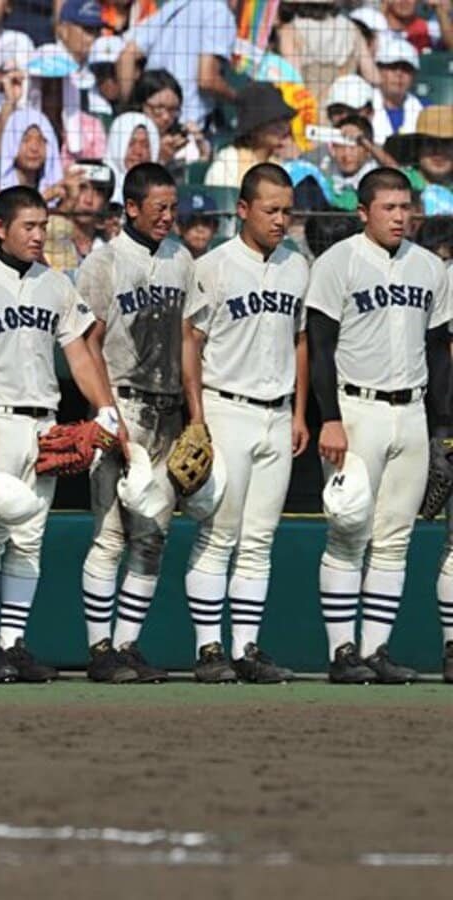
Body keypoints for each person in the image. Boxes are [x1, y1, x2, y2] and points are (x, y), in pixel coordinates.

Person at [0, 185, 117, 684]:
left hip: (43, 424)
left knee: (29, 539)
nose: (37, 236)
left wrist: (106, 410)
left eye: (42, 227)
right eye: (27, 227)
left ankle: (14, 643)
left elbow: (78, 354)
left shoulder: (56, 285)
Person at [306, 167, 452, 684]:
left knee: (395, 538)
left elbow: (438, 352)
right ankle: (341, 651)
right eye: (388, 207)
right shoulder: (336, 262)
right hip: (356, 409)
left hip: (411, 412)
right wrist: (329, 419)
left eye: (406, 207)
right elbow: (320, 347)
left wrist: (442, 427)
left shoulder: (430, 268)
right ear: (363, 211)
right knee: (348, 531)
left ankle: (375, 650)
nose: (400, 216)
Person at [180, 163, 311, 684]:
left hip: (277, 413)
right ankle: (208, 649)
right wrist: (197, 417)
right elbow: (191, 342)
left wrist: (300, 412)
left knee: (259, 539)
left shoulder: (297, 266)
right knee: (219, 534)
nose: (280, 220)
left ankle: (246, 648)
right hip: (226, 409)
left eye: (286, 211)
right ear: (242, 209)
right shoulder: (214, 266)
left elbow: (301, 339)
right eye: (270, 209)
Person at [76, 162, 194, 684]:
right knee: (109, 537)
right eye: (159, 208)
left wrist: (197, 415)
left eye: (173, 207)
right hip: (121, 405)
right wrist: (107, 413)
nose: (169, 216)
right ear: (130, 207)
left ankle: (127, 645)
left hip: (169, 411)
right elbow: (88, 342)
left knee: (153, 537)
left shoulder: (183, 260)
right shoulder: (104, 263)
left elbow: (192, 341)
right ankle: (100, 650)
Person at [117, 0, 237, 129]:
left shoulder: (175, 6)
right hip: (183, 125)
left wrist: (129, 110)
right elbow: (206, 80)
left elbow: (126, 57)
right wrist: (239, 99)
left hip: (149, 119)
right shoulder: (220, 13)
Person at [277, 0, 378, 112]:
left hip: (310, 111)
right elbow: (373, 76)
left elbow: (294, 80)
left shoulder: (290, 30)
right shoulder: (352, 28)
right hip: (345, 111)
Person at [206, 84, 295, 189]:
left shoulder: (282, 165)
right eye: (275, 122)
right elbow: (218, 200)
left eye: (285, 120)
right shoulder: (229, 161)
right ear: (254, 129)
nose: (284, 127)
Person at [132, 69, 210, 174]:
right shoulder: (126, 137)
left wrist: (202, 151)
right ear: (141, 105)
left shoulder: (184, 140)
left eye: (173, 110)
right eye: (158, 108)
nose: (166, 117)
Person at [44, 160, 112, 278]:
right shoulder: (43, 237)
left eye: (98, 192)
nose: (88, 200)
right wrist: (50, 195)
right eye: (82, 188)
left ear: (106, 202)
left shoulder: (109, 246)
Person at [385, 106, 453, 217]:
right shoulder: (395, 183)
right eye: (430, 142)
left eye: (446, 143)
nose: (438, 151)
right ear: (417, 147)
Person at [0, 108, 62, 200]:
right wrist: (44, 198)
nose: (34, 148)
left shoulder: (57, 192)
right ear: (11, 143)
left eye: (41, 140)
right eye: (26, 140)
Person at [371, 36, 423, 140]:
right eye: (392, 67)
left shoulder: (425, 109)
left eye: (406, 69)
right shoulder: (361, 106)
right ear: (379, 70)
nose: (399, 74)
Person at [104, 111, 157, 202]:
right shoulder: (100, 184)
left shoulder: (160, 188)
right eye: (131, 143)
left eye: (145, 145)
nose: (138, 151)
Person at [175, 189, 220, 259]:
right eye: (192, 222)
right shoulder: (170, 262)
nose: (200, 229)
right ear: (178, 228)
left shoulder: (222, 262)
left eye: (206, 222)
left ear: (216, 227)